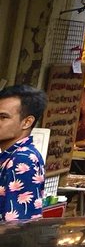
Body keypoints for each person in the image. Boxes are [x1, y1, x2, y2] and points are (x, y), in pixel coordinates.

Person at [0, 85, 47, 222]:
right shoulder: (12, 155)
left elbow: (16, 222)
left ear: (27, 122)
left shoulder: (22, 158)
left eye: (3, 117)